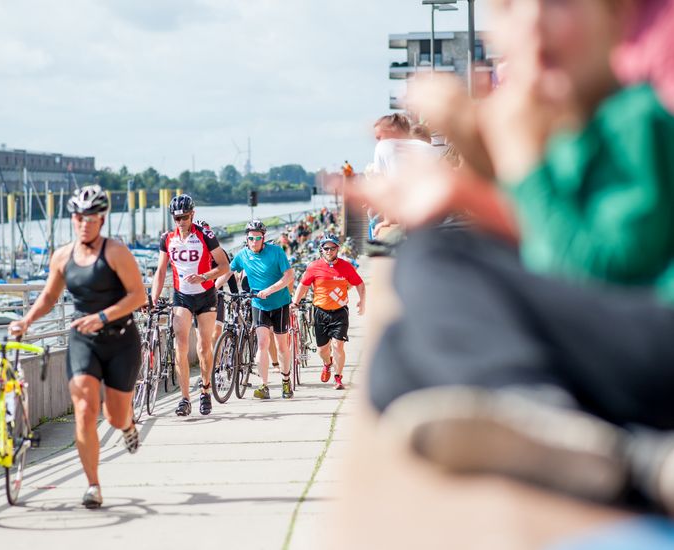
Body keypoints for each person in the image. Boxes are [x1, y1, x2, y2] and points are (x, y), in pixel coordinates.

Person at [357, 0, 674, 515]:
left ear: (615, 20)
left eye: (561, 4)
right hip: (626, 354)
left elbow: (603, 274)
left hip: (659, 339)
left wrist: (517, 155)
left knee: (438, 253)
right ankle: (637, 461)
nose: (532, 23)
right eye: (509, 8)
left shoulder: (638, 118)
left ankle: (534, 407)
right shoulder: (575, 133)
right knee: (394, 362)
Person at [9, 185, 146, 509]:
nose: (85, 223)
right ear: (73, 218)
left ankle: (127, 424)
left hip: (121, 341)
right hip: (83, 341)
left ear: (102, 220)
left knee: (113, 416)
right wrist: (26, 321)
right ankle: (93, 485)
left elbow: (138, 296)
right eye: (80, 217)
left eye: (92, 218)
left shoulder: (115, 252)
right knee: (84, 410)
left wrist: (102, 316)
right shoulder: (62, 256)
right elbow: (49, 297)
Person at [151, 194, 229, 416]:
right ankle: (184, 398)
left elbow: (224, 265)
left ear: (192, 214)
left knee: (204, 345)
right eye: (176, 218)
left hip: (205, 295)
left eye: (184, 217)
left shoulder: (205, 235)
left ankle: (205, 390)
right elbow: (159, 272)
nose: (181, 222)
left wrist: (204, 276)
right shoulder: (167, 239)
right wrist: (152, 299)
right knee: (180, 346)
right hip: (182, 296)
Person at [228, 220, 295, 399]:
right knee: (263, 343)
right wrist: (213, 289)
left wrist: (270, 290)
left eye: (258, 238)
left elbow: (289, 276)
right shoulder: (242, 255)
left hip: (279, 303)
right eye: (251, 238)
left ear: (263, 238)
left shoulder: (276, 252)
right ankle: (264, 385)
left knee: (281, 345)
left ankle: (286, 380)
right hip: (258, 304)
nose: (254, 241)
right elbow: (228, 272)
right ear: (247, 239)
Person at [292, 235, 365, 390]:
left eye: (332, 248)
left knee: (338, 345)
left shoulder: (346, 266)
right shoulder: (314, 267)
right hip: (320, 312)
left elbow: (359, 283)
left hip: (340, 312)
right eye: (326, 248)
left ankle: (338, 378)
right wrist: (295, 303)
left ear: (337, 249)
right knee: (322, 350)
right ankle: (327, 363)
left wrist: (362, 301)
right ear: (321, 250)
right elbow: (303, 286)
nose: (329, 251)